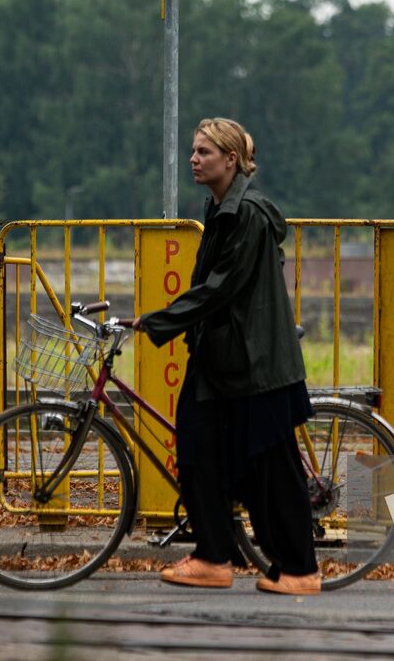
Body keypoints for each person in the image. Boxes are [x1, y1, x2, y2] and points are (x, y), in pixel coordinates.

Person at [132, 117, 320, 595]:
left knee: (273, 469)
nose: (193, 159)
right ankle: (214, 558)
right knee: (199, 452)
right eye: (194, 152)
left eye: (204, 152)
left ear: (231, 160)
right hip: (225, 361)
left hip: (256, 366)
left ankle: (300, 570)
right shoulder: (220, 209)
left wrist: (160, 320)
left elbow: (221, 288)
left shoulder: (249, 214)